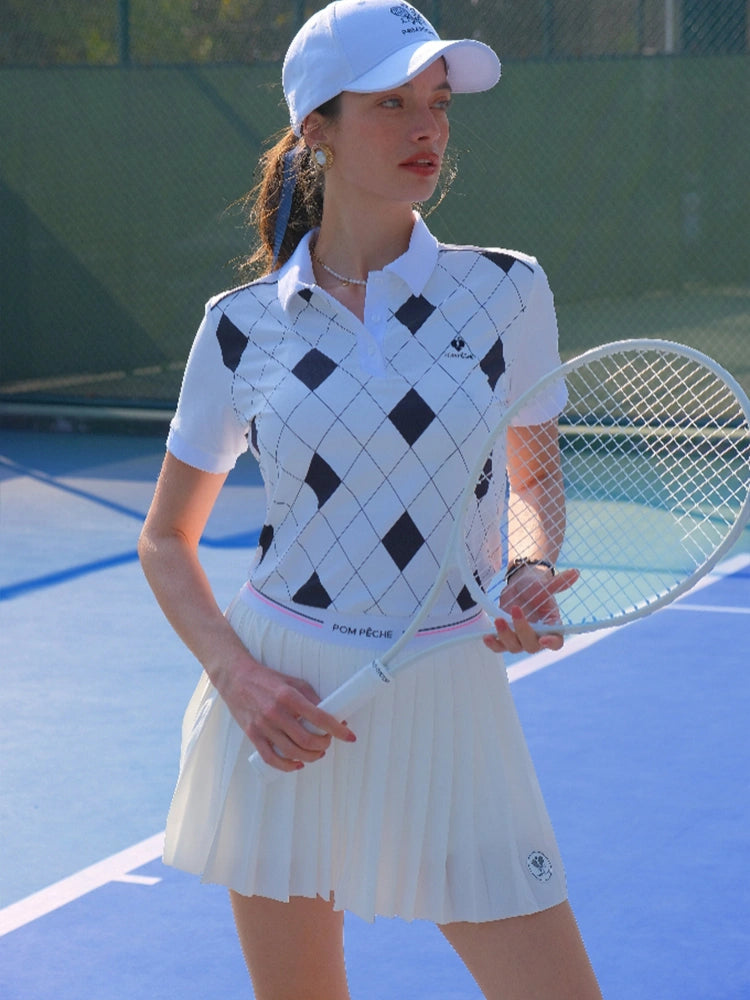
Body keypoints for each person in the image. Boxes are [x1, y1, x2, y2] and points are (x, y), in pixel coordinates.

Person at [138, 2, 603, 997]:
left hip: (449, 691)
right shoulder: (238, 329)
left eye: (437, 103)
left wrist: (526, 569)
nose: (428, 128)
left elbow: (533, 480)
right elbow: (166, 543)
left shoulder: (509, 292)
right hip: (283, 699)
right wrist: (240, 680)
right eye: (392, 104)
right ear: (318, 128)